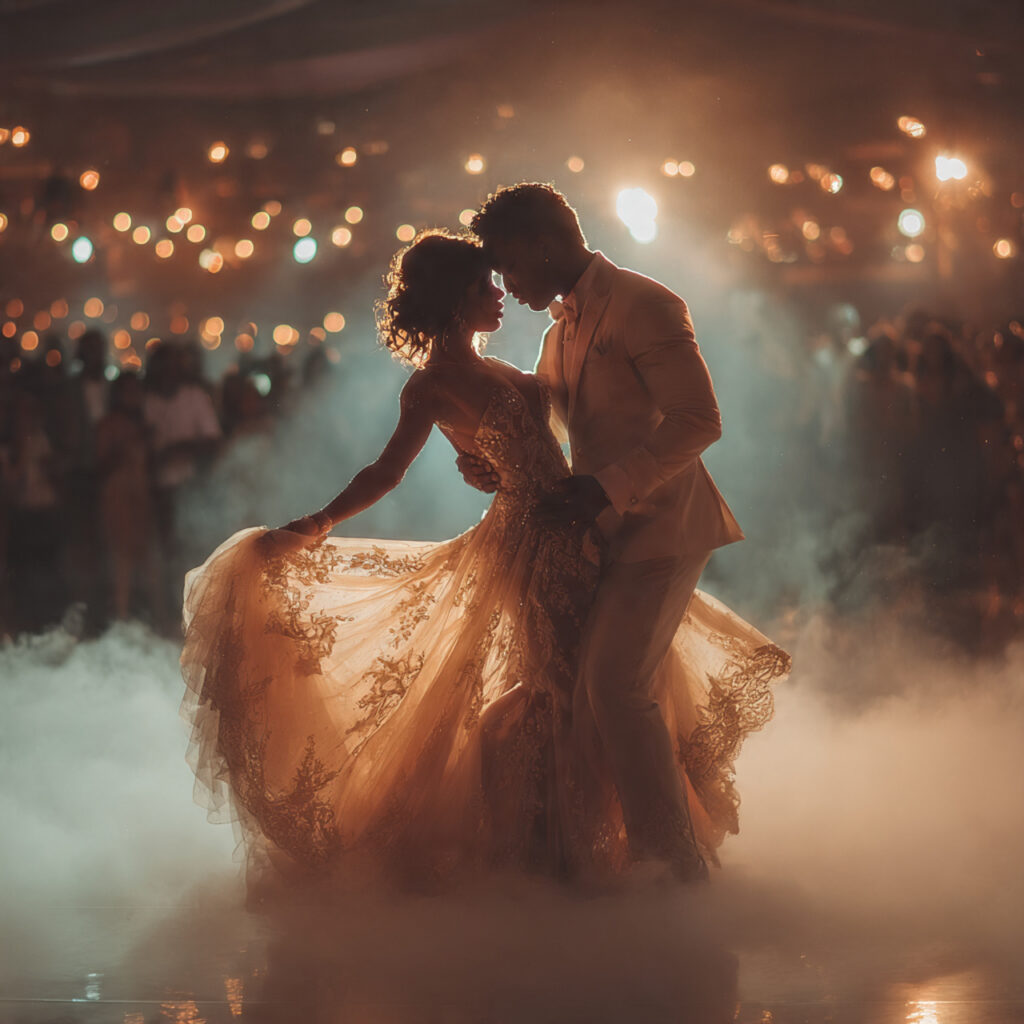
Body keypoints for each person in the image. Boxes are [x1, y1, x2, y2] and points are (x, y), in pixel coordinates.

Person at [180, 229, 788, 889]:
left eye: (496, 281)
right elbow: (386, 472)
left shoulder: (508, 366)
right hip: (531, 548)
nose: (499, 295)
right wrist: (320, 521)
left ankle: (601, 848)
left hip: (578, 531)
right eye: (483, 287)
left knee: (590, 685)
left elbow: (559, 432)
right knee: (563, 688)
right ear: (452, 300)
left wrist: (493, 463)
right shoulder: (433, 387)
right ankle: (557, 855)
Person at [463, 183, 749, 879]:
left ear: (544, 244)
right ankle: (622, 857)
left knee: (613, 689)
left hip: (664, 531)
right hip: (602, 539)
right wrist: (496, 465)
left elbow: (699, 420)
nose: (506, 284)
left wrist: (607, 488)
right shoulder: (556, 331)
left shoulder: (647, 304)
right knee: (586, 696)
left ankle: (674, 868)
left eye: (509, 266)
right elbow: (561, 436)